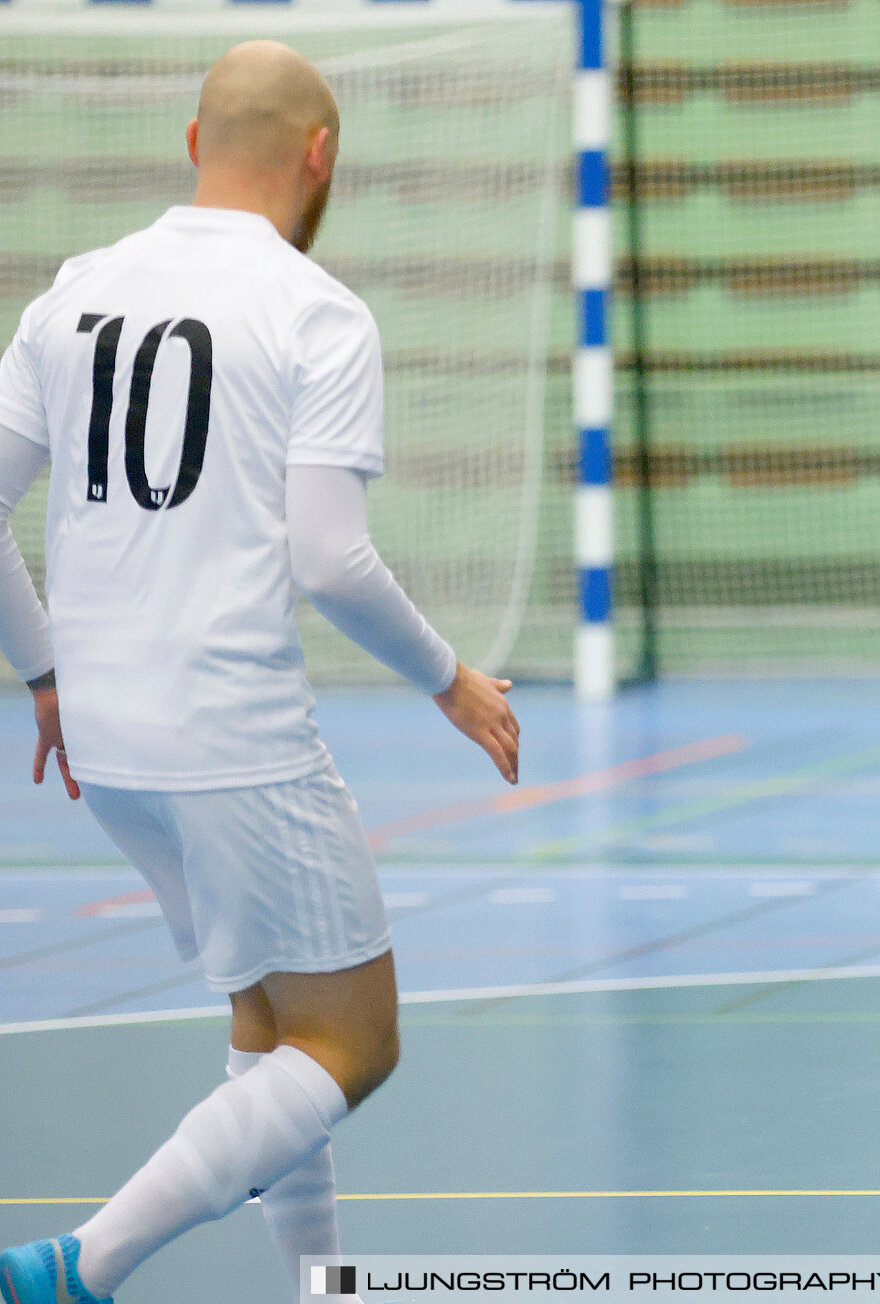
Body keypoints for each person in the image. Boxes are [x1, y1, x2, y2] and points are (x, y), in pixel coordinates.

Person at [0, 41, 519, 1304]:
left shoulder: (70, 289)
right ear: (320, 157)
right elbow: (330, 558)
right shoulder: (314, 310)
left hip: (110, 741)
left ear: (192, 141)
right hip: (229, 731)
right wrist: (453, 678)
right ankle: (85, 1264)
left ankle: (318, 1285)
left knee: (271, 1029)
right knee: (356, 1039)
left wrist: (43, 674)